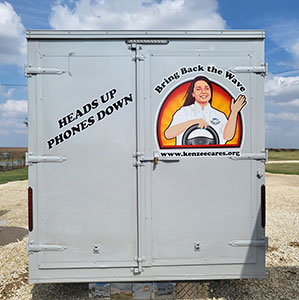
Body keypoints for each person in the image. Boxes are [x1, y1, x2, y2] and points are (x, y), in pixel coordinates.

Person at [164, 75, 246, 145]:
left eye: (207, 88)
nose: (203, 92)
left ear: (211, 92)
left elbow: (228, 136)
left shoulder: (219, 115)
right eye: (198, 89)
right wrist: (195, 122)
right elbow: (168, 134)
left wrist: (234, 112)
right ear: (193, 93)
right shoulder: (184, 112)